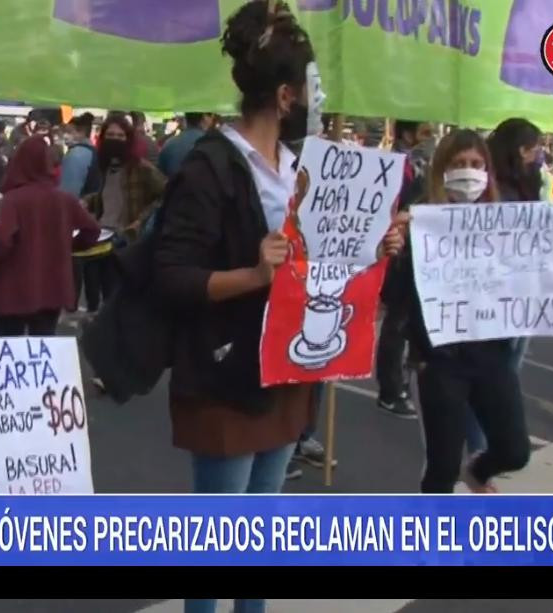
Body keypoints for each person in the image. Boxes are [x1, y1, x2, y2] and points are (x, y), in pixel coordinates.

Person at [154, 4, 403, 611]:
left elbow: (324, 260)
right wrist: (253, 273)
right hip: (226, 375)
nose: (322, 100)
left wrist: (379, 244)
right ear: (288, 95)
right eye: (316, 87)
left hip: (289, 370)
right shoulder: (211, 163)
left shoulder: (299, 167)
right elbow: (172, 276)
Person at [395, 128, 531, 493]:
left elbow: (532, 267)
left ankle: (478, 471)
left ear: (487, 170)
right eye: (458, 164)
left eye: (475, 164)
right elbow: (394, 296)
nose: (468, 171)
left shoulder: (503, 220)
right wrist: (398, 249)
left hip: (490, 353)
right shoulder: (420, 218)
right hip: (440, 359)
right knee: (442, 467)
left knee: (515, 450)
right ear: (442, 171)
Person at [0, 136, 100, 335]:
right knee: (43, 345)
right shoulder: (65, 199)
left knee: (9, 351)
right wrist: (70, 246)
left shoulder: (12, 200)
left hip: (13, 287)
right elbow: (92, 229)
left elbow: (1, 239)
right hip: (53, 286)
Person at [80, 115, 166, 311]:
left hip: (124, 239)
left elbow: (166, 193)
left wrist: (141, 220)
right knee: (94, 294)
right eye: (110, 134)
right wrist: (88, 201)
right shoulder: (104, 166)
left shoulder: (141, 168)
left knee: (116, 295)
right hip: (100, 236)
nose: (115, 139)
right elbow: (107, 196)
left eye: (120, 135)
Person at [374, 119, 429, 420]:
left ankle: (402, 384)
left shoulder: (426, 165)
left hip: (422, 255)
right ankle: (391, 389)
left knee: (411, 324)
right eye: (425, 133)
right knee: (397, 323)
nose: (430, 139)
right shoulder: (393, 166)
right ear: (408, 134)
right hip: (399, 255)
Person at [487, 117, 543, 380]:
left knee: (509, 366)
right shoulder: (491, 187)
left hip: (523, 285)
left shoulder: (527, 183)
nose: (537, 156)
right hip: (496, 289)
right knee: (498, 369)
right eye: (535, 149)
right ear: (522, 150)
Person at [158, 112, 214, 177]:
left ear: (186, 119)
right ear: (204, 118)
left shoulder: (169, 144)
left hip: (175, 185)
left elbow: (161, 174)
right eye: (210, 116)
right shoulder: (212, 144)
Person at [59, 113, 100, 198]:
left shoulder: (77, 154)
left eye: (69, 132)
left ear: (82, 132)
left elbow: (69, 191)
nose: (65, 136)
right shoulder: (91, 152)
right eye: (65, 132)